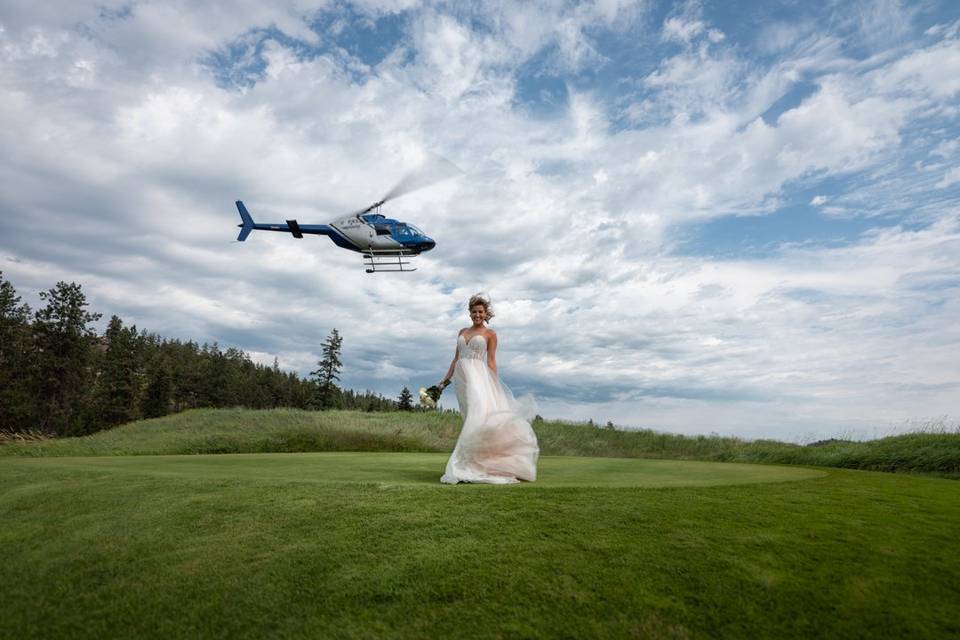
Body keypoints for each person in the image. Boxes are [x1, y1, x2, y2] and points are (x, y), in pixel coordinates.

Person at [438, 294, 539, 484]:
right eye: (474, 312)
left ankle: (473, 465)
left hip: (479, 380)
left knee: (479, 419)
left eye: (480, 312)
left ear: (486, 314)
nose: (477, 315)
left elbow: (491, 361)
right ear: (470, 313)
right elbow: (456, 359)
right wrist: (444, 382)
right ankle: (475, 461)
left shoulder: (490, 334)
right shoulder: (462, 331)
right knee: (470, 418)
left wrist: (494, 384)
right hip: (462, 382)